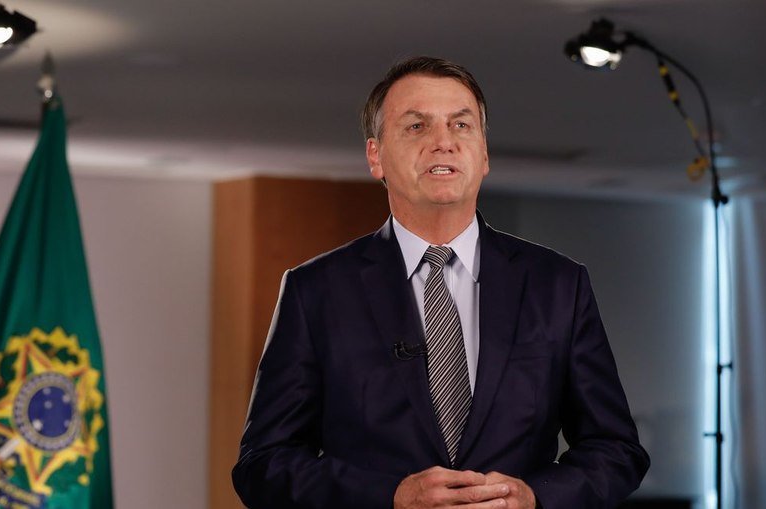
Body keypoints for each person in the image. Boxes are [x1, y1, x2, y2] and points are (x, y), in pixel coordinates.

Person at [232, 56, 649, 509]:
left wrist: (535, 497)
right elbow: (263, 464)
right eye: (417, 127)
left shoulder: (558, 286)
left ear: (484, 154)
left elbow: (616, 449)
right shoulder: (315, 291)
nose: (443, 143)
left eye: (461, 125)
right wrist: (391, 497)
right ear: (375, 156)